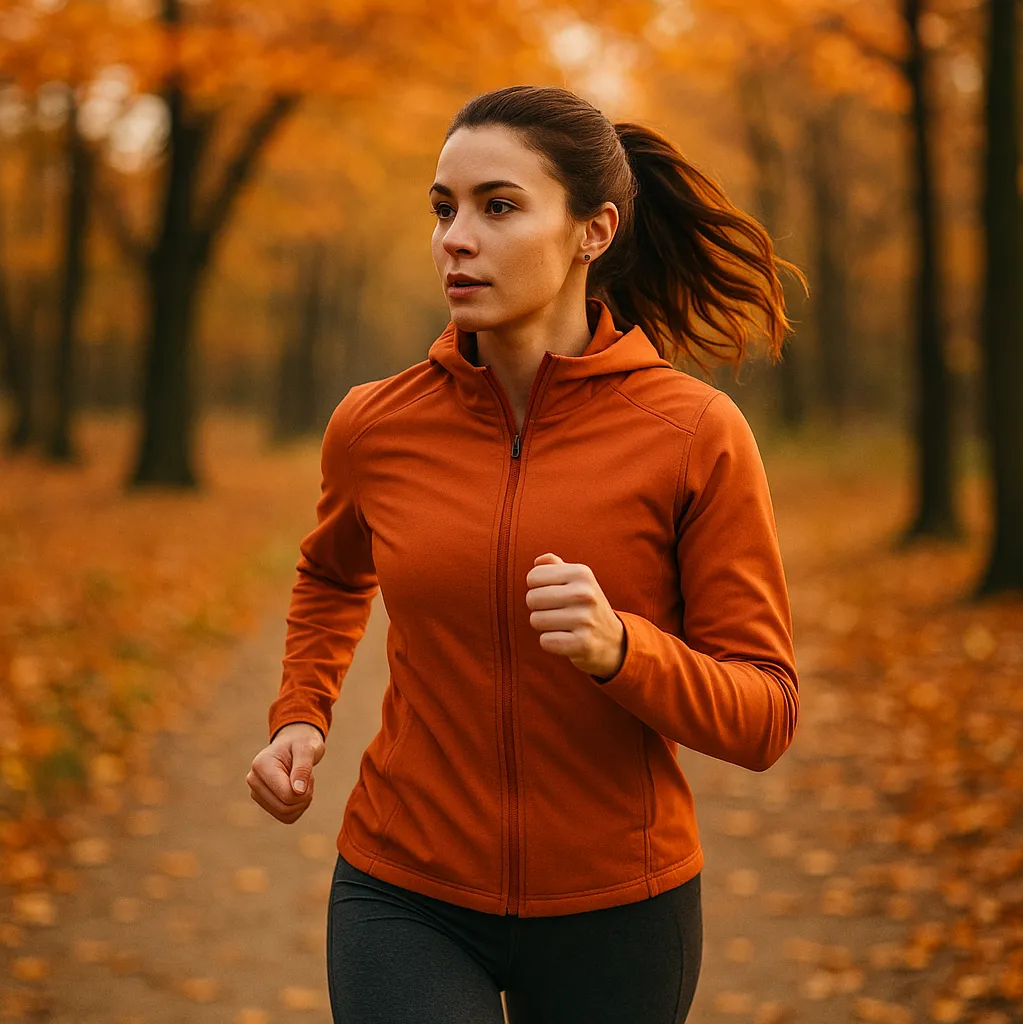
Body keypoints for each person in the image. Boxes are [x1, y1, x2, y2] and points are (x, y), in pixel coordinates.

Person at [247, 84, 804, 1023]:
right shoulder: (376, 425)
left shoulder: (693, 434)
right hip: (403, 887)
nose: (456, 238)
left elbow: (766, 713)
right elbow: (335, 572)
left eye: (498, 206)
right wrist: (299, 715)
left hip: (621, 906)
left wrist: (623, 652)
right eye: (443, 208)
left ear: (594, 231)